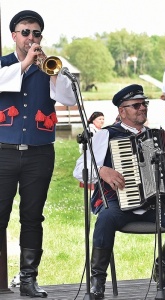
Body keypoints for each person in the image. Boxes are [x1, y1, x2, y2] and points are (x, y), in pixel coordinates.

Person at [73, 84, 165, 298]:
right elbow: (80, 169)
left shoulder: (157, 135)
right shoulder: (106, 135)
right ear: (122, 111)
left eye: (144, 104)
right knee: (105, 219)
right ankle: (97, 281)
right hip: (119, 204)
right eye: (136, 105)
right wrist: (102, 170)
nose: (142, 108)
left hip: (156, 205)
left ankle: (162, 269)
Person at [0, 10, 76, 298]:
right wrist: (25, 64)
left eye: (36, 33)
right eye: (25, 32)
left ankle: (28, 279)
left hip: (39, 153)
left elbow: (67, 99)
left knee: (32, 217)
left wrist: (51, 71)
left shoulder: (51, 67)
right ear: (14, 36)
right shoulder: (4, 64)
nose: (31, 37)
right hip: (3, 153)